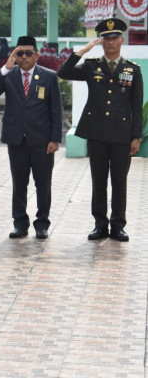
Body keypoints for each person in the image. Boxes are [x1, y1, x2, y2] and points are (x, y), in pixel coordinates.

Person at [57, 18, 143, 242]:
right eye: (106, 38)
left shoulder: (132, 69)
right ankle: (100, 225)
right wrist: (82, 51)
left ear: (121, 40)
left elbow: (136, 105)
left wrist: (136, 136)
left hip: (122, 135)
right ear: (101, 41)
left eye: (114, 38)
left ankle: (117, 225)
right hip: (97, 134)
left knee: (119, 182)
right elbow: (63, 72)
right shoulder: (91, 65)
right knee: (99, 181)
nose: (110, 42)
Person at [0, 36, 62, 239]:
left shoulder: (49, 76)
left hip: (42, 140)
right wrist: (5, 68)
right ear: (14, 55)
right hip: (16, 139)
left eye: (29, 53)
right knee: (19, 183)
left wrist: (55, 139)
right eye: (20, 53)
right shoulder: (9, 75)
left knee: (43, 183)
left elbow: (56, 110)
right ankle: (20, 223)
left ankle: (42, 223)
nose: (25, 57)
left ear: (36, 55)